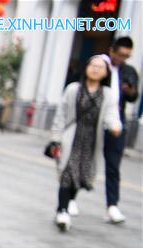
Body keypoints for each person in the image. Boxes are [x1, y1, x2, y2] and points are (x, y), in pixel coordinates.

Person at [51, 55, 122, 232]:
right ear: (86, 67)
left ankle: (69, 201)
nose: (95, 69)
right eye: (92, 65)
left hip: (91, 140)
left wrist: (115, 126)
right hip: (71, 137)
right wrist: (56, 138)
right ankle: (62, 210)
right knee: (67, 172)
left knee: (81, 174)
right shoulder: (73, 89)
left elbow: (112, 115)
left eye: (100, 67)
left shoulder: (108, 95)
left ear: (106, 73)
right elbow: (61, 114)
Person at [98, 36, 138, 223]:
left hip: (116, 120)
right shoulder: (100, 66)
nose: (123, 59)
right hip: (95, 118)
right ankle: (70, 199)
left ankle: (112, 205)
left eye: (127, 56)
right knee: (84, 157)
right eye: (121, 55)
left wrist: (130, 91)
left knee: (113, 164)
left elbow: (134, 96)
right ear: (111, 51)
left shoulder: (129, 71)